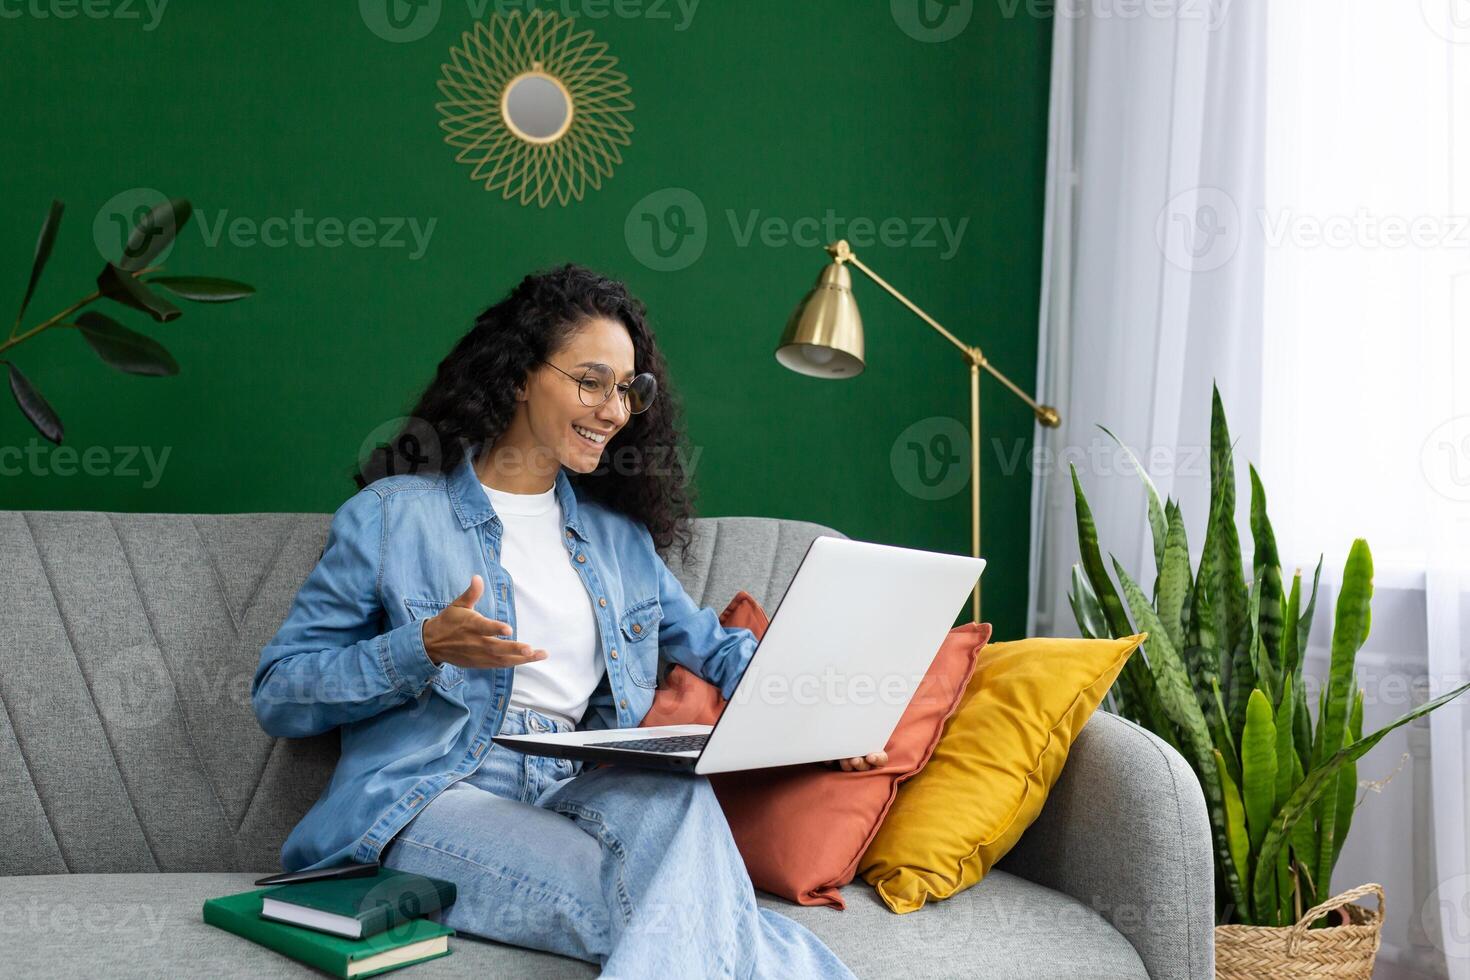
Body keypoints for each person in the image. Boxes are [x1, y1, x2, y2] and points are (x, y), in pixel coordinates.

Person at [251, 263, 880, 978]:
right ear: (520, 375)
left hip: (576, 784)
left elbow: (716, 648)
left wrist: (829, 706)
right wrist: (421, 648)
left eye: (628, 390)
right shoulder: (394, 517)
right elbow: (280, 693)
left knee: (681, 804)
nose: (614, 411)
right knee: (680, 915)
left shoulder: (618, 542)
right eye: (591, 381)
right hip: (438, 795)